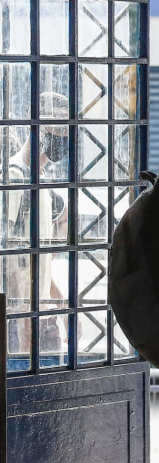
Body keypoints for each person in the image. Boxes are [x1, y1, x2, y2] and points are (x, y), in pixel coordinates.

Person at [6, 92, 70, 355]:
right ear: (38, 128)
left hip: (37, 318)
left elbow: (38, 260)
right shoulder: (14, 177)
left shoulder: (41, 182)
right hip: (18, 321)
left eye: (66, 131)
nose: (62, 138)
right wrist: (23, 323)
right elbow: (8, 258)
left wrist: (59, 301)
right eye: (57, 129)